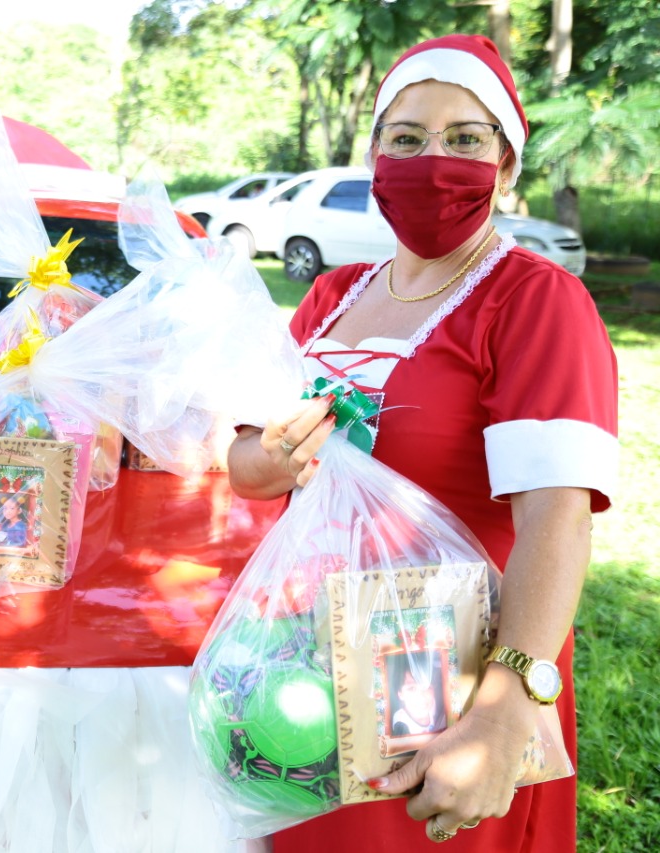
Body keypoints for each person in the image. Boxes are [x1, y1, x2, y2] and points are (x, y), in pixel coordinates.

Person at [227, 34, 617, 851]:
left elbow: (557, 517)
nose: (432, 159)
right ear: (374, 160)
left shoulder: (533, 300)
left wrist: (505, 708)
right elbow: (248, 467)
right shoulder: (332, 297)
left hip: (450, 678)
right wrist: (274, 458)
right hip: (310, 662)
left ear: (506, 168)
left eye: (465, 139)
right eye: (406, 139)